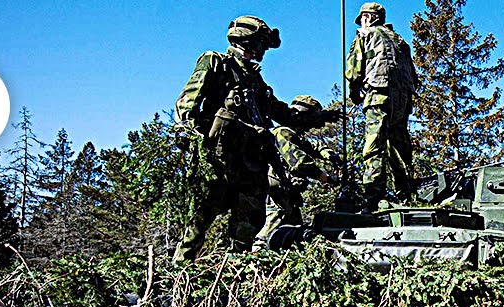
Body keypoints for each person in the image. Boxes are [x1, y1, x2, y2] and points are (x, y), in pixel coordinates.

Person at [174, 16, 338, 260]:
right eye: (262, 43)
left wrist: (321, 117)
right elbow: (187, 104)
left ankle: (234, 270)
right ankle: (181, 267)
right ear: (249, 40)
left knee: (248, 224)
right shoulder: (216, 63)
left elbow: (283, 114)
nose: (264, 50)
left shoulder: (255, 81)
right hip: (220, 160)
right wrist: (193, 135)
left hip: (251, 164)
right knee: (201, 218)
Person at [345, 2, 416, 211]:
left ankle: (373, 197)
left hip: (379, 94)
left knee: (374, 145)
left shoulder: (365, 35)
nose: (362, 22)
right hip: (403, 99)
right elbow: (413, 75)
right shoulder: (400, 41)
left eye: (363, 18)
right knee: (399, 147)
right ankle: (407, 193)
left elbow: (354, 70)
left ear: (368, 17)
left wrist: (354, 93)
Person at [254, 95, 339, 249]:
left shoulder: (294, 135)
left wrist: (330, 155)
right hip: (279, 193)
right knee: (269, 234)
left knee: (293, 237)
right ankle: (254, 259)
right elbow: (300, 162)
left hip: (290, 195)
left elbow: (313, 147)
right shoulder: (282, 132)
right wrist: (324, 177)